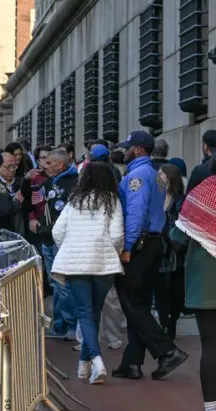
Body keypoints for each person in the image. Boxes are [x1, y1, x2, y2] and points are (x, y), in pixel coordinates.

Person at [113, 131, 188, 380]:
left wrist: (128, 248)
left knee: (132, 301)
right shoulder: (154, 175)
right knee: (140, 303)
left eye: (128, 147)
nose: (124, 151)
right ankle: (132, 362)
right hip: (153, 243)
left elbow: (135, 214)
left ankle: (167, 352)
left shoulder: (137, 176)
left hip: (141, 245)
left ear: (138, 149)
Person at [50, 162, 124, 385]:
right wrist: (112, 252)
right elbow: (117, 236)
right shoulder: (113, 202)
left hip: (75, 264)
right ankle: (88, 365)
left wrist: (70, 247)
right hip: (103, 264)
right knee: (94, 312)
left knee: (85, 313)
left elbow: (57, 231)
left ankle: (93, 362)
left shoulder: (74, 202)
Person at [170, 170, 216, 410]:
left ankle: (211, 406)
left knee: (210, 348)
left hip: (205, 283)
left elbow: (177, 239)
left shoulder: (202, 193)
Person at [36, 149, 79, 340]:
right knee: (55, 284)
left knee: (64, 285)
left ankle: (70, 325)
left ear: (60, 165)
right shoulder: (49, 182)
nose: (46, 165)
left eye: (50, 163)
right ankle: (59, 324)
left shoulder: (74, 183)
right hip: (48, 239)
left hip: (63, 242)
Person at [153, 163, 186, 341]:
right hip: (159, 251)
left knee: (176, 293)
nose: (158, 177)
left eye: (161, 174)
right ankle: (166, 324)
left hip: (176, 251)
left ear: (170, 177)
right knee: (161, 291)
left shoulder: (181, 199)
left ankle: (171, 321)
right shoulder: (155, 196)